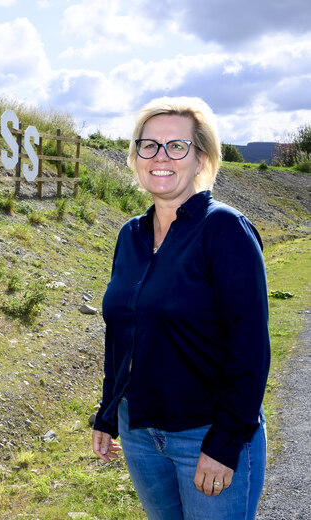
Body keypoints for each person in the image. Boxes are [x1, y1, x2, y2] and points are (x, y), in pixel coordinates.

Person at [91, 96, 270, 520]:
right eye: (148, 145)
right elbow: (122, 334)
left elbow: (250, 348)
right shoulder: (130, 235)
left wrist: (224, 443)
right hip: (140, 435)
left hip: (206, 435)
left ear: (200, 158)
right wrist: (108, 412)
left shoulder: (224, 229)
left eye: (177, 146)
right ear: (135, 156)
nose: (161, 156)